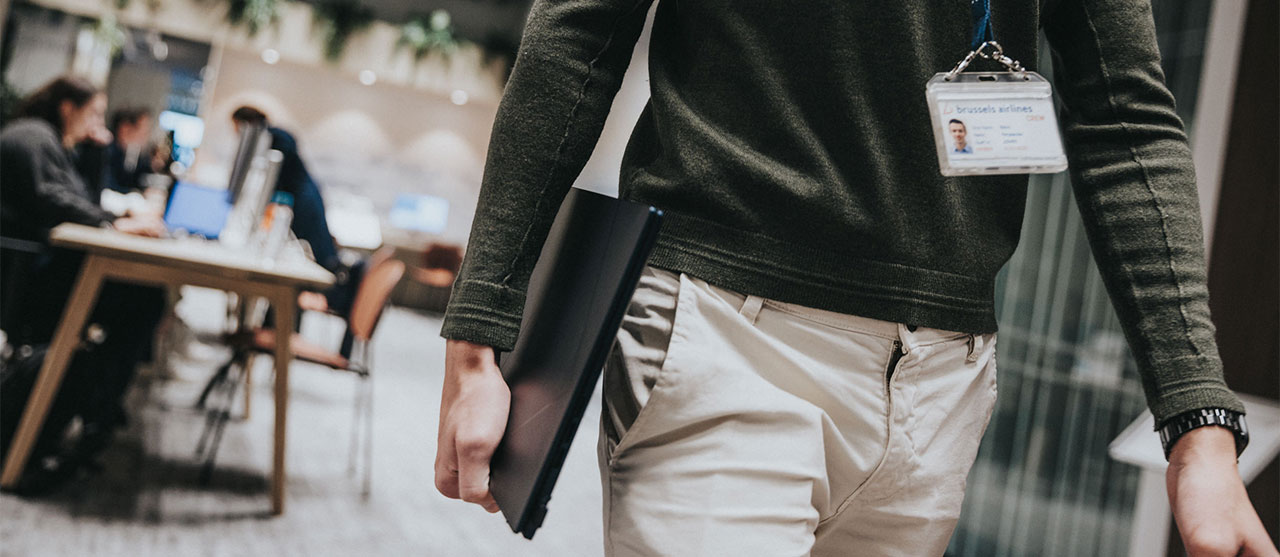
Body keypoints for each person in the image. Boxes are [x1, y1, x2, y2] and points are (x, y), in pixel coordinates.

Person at [434, 2, 1276, 556]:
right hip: (726, 334)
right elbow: (578, 31)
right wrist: (478, 338)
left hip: (943, 383)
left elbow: (1124, 114)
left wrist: (1198, 424)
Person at [0, 75, 167, 490]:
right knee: (142, 300)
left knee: (144, 297)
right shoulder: (32, 137)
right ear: (66, 107)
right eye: (92, 112)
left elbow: (79, 200)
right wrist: (115, 223)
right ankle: (97, 411)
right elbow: (54, 200)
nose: (98, 122)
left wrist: (97, 153)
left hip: (41, 268)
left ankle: (97, 410)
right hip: (24, 278)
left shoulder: (52, 142)